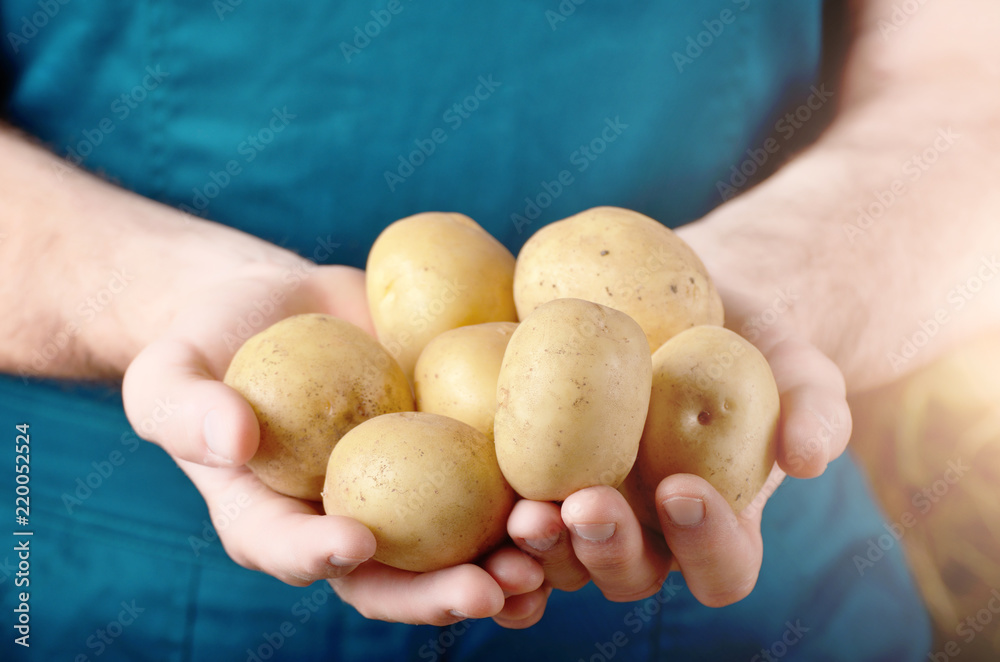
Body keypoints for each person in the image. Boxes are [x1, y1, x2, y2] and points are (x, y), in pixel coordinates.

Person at [2, 0, 995, 659]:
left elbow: (972, 92)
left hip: (743, 578)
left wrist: (792, 274)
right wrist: (145, 290)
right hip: (105, 579)